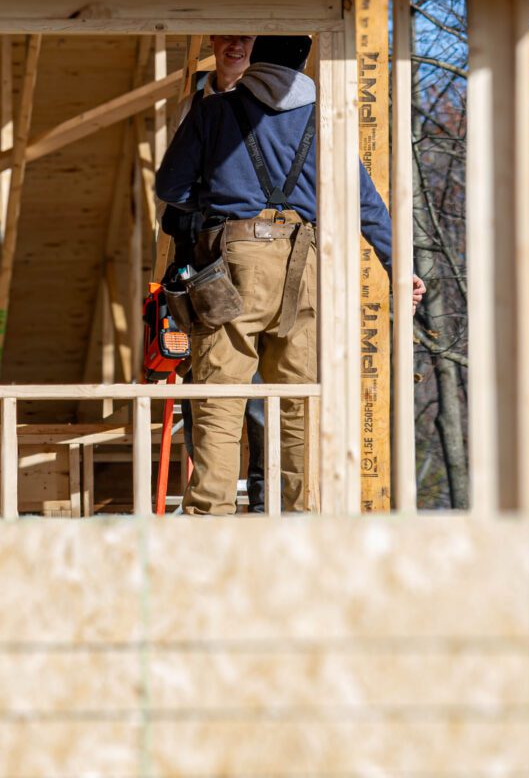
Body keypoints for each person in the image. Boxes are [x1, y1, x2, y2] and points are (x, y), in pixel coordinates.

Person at [156, 35, 425, 514]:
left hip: (233, 261)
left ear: (258, 59)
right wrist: (400, 271)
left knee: (220, 393)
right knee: (301, 398)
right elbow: (367, 206)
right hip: (308, 262)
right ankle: (304, 515)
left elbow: (170, 185)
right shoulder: (326, 123)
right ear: (304, 63)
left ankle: (209, 516)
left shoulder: (214, 112)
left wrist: (216, 207)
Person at [161, 34, 265, 511]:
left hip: (254, 258)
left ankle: (263, 495)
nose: (236, 45)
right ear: (212, 42)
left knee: (259, 391)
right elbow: (172, 184)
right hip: (200, 259)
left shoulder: (275, 106)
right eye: (227, 36)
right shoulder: (193, 106)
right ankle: (204, 495)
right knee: (201, 380)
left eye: (247, 37)